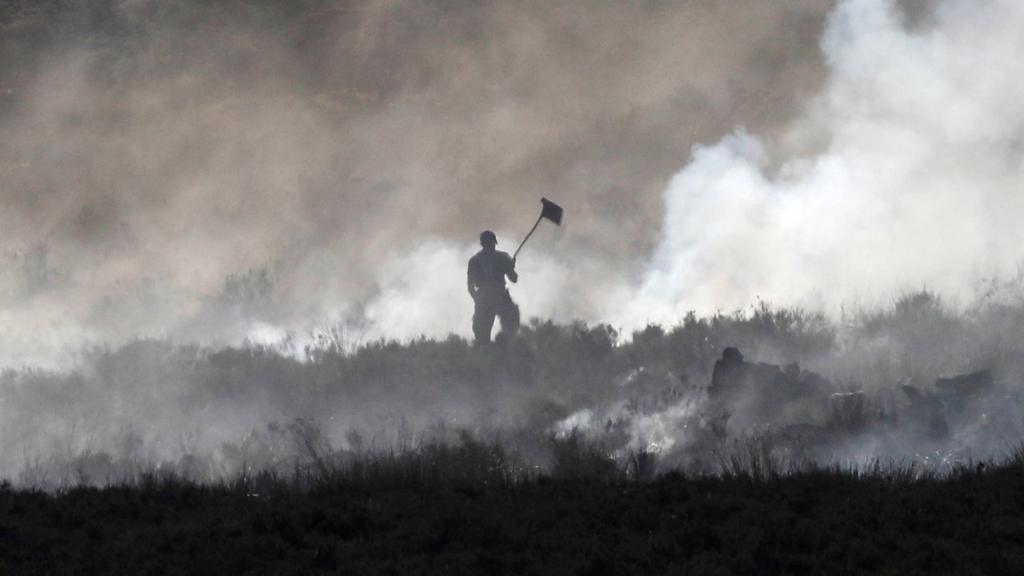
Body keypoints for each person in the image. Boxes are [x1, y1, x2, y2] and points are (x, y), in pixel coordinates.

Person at [467, 230, 520, 344]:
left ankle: (494, 351)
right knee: (509, 324)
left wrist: (477, 299)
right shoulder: (502, 257)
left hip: (486, 296)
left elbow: (470, 287)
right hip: (498, 294)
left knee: (482, 334)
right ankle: (503, 349)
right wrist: (511, 266)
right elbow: (514, 279)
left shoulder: (475, 260)